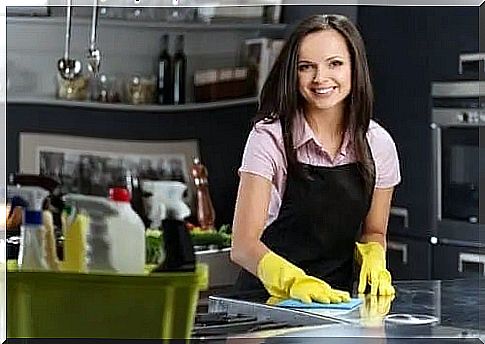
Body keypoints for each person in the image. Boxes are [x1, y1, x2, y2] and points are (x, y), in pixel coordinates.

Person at [230, 14, 401, 304]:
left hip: (340, 304)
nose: (320, 78)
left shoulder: (378, 144)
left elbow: (373, 231)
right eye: (306, 67)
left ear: (354, 68)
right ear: (292, 74)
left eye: (335, 64)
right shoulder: (269, 138)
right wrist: (291, 281)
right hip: (266, 302)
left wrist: (375, 254)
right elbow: (243, 245)